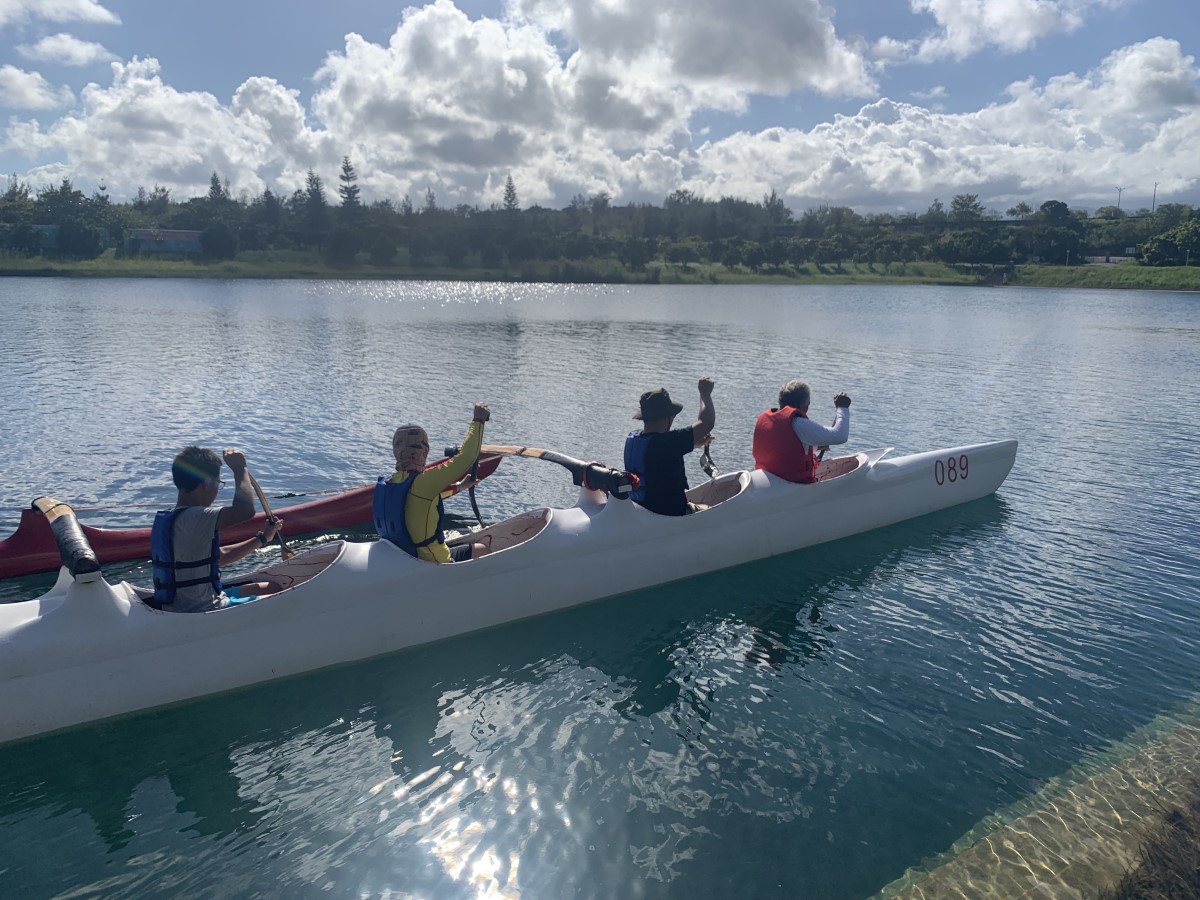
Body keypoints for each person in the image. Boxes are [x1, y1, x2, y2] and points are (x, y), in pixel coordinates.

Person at [151, 446, 284, 612]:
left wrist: (263, 538)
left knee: (271, 586)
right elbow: (245, 510)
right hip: (203, 608)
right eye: (218, 484)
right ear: (207, 484)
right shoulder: (197, 517)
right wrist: (239, 468)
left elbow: (220, 556)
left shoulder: (172, 518)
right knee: (284, 596)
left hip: (187, 603)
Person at [374, 403, 492, 562]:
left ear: (397, 450)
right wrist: (478, 420)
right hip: (433, 560)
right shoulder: (423, 482)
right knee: (483, 548)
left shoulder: (390, 481)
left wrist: (460, 486)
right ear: (424, 451)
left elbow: (420, 501)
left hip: (406, 556)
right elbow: (467, 457)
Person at [624, 378, 715, 516]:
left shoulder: (634, 438)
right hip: (671, 513)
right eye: (673, 414)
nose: (673, 418)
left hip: (643, 508)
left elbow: (661, 454)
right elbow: (706, 422)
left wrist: (697, 443)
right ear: (666, 417)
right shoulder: (668, 442)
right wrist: (705, 393)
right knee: (714, 509)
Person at [752, 380, 851, 483]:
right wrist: (842, 408)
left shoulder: (767, 421)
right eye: (808, 404)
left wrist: (813, 447)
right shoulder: (798, 423)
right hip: (792, 486)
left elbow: (782, 447)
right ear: (803, 404)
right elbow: (840, 435)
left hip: (767, 480)